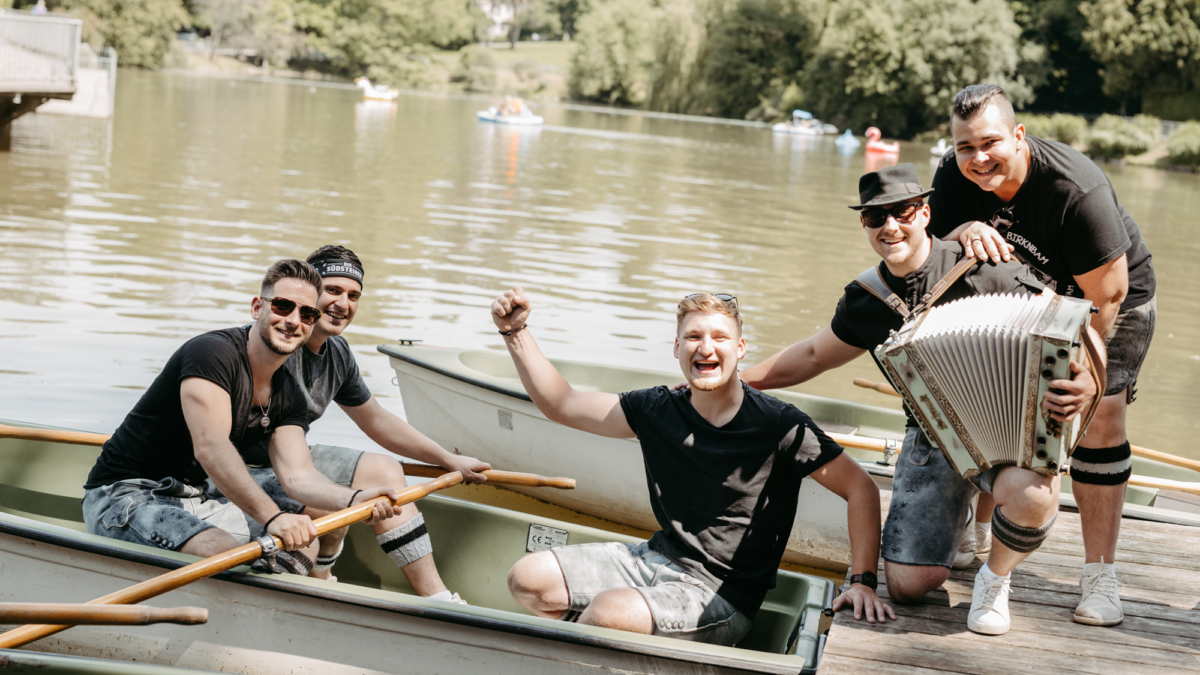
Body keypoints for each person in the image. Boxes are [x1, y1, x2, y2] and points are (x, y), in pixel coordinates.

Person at [739, 164, 1100, 635]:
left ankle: (995, 579)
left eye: (903, 211)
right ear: (864, 225)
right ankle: (970, 515)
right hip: (933, 436)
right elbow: (811, 355)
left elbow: (1077, 323)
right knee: (909, 585)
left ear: (925, 212)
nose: (890, 226)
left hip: (1009, 435)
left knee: (1034, 494)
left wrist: (1090, 380)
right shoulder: (867, 299)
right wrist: (735, 379)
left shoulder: (984, 267)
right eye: (876, 217)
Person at [492, 287, 893, 646]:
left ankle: (609, 644)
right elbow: (562, 403)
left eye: (719, 338)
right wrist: (516, 333)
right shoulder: (656, 407)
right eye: (694, 337)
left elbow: (861, 487)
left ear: (740, 348)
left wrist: (863, 583)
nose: (706, 348)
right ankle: (624, 651)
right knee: (529, 580)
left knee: (607, 613)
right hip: (652, 559)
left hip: (720, 597)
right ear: (677, 348)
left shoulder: (779, 424)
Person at [928, 84, 1155, 627]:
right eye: (965, 147)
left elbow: (1109, 295)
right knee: (1005, 402)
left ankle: (1100, 576)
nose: (978, 159)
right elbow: (930, 246)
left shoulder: (1075, 187)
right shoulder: (952, 173)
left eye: (990, 143)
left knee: (1097, 417)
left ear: (1019, 136)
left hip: (1106, 299)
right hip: (1024, 298)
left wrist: (1083, 371)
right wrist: (963, 228)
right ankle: (983, 529)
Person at [83, 260, 399, 570]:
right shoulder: (211, 354)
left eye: (307, 313)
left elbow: (298, 475)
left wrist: (354, 499)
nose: (293, 320)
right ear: (257, 308)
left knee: (308, 536)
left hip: (196, 499)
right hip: (127, 496)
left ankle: (285, 603)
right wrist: (273, 518)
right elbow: (211, 447)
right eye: (283, 306)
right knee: (222, 552)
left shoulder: (288, 393)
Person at [237, 245, 491, 603]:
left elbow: (377, 420)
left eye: (353, 295)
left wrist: (448, 460)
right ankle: (320, 577)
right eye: (333, 291)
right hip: (243, 471)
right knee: (322, 516)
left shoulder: (337, 354)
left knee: (382, 470)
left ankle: (437, 600)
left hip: (288, 462)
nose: (343, 304)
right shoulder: (275, 341)